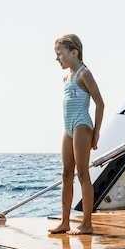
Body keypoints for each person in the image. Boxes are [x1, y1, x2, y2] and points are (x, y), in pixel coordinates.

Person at [49, 34, 104, 235]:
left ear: (74, 52)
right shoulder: (66, 76)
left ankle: (87, 224)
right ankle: (65, 222)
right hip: (68, 128)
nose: (57, 58)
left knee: (82, 173)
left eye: (60, 54)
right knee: (66, 174)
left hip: (82, 124)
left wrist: (96, 131)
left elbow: (100, 102)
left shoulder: (84, 74)